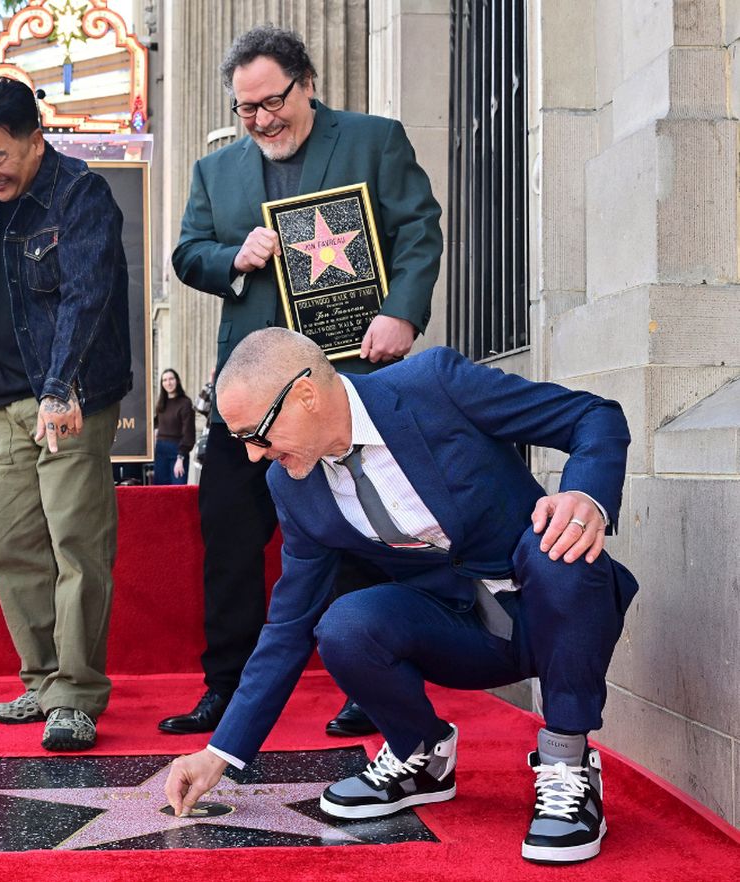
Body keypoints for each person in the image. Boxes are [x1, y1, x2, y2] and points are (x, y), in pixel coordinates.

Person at [164, 329, 637, 865]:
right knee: (344, 624)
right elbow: (289, 623)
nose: (254, 456)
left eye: (258, 434)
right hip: (460, 634)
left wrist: (586, 497)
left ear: (306, 395)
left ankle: (568, 767)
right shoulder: (293, 485)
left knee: (558, 546)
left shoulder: (433, 384)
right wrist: (220, 753)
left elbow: (594, 415)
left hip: (556, 609)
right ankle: (421, 754)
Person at [162, 25, 443, 738]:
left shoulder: (374, 140)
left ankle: (369, 685)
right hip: (251, 392)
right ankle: (222, 688)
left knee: (363, 533)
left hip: (346, 385)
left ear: (307, 83)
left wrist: (401, 314)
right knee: (228, 539)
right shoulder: (214, 172)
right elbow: (187, 255)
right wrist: (233, 255)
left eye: (271, 101)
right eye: (245, 108)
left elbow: (418, 230)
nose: (260, 119)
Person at [0, 77, 132, 752]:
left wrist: (59, 389)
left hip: (69, 398)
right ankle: (41, 680)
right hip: (5, 399)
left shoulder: (80, 195)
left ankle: (76, 695)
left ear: (34, 139)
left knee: (76, 546)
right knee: (15, 548)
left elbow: (85, 298)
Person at [152, 369, 195, 485]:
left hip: (177, 451)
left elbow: (189, 433)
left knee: (177, 491)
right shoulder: (161, 403)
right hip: (160, 451)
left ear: (177, 381)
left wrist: (180, 458)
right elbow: (156, 422)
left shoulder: (185, 403)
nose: (168, 383)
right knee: (160, 492)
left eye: (171, 379)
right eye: (164, 380)